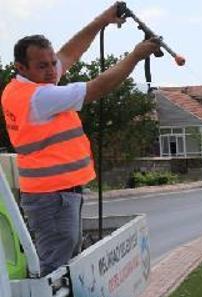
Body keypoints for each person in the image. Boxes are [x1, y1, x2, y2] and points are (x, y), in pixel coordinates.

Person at [1, 4, 161, 275]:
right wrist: (135, 56)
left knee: (62, 259)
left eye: (52, 63)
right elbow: (97, 87)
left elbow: (68, 54)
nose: (53, 70)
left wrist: (102, 20)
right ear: (21, 67)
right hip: (52, 196)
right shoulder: (40, 97)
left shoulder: (27, 85)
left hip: (56, 193)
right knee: (55, 266)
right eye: (43, 66)